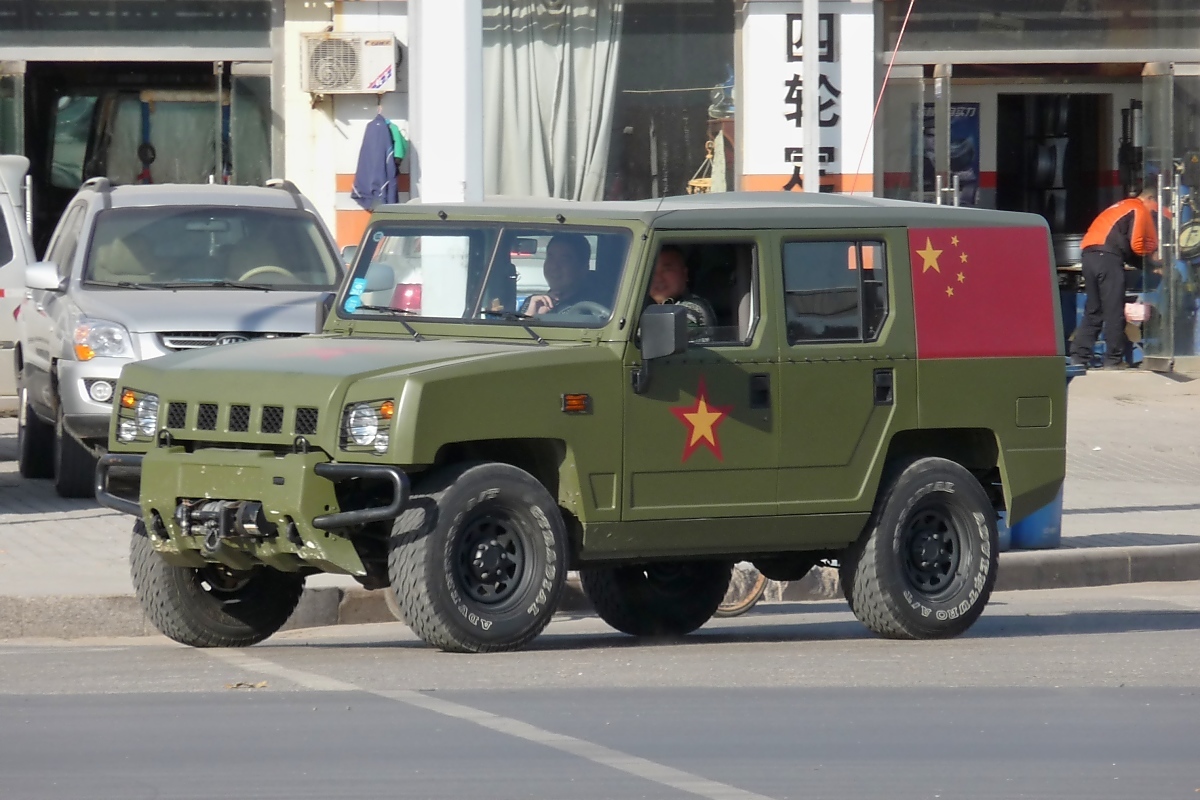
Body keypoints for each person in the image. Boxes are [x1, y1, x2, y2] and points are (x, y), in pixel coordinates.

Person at [1071, 187, 1159, 370]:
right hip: (1108, 257)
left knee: (1094, 309)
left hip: (1089, 255)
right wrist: (1154, 265)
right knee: (1114, 309)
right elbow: (1137, 244)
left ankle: (1079, 357)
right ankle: (1113, 360)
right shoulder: (1138, 208)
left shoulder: (1119, 207)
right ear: (1149, 199)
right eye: (1154, 206)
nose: (1153, 212)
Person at [646, 245, 715, 341]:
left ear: (685, 274)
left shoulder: (695, 308)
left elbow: (661, 335)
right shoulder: (648, 308)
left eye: (667, 270)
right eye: (652, 272)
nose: (658, 278)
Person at [520, 233, 596, 316]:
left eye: (564, 260)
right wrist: (530, 316)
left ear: (583, 268)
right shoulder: (532, 303)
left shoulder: (591, 310)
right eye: (550, 257)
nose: (554, 266)